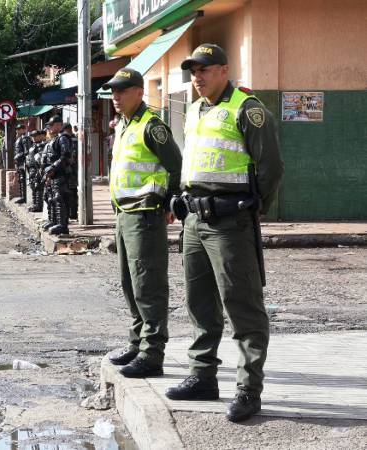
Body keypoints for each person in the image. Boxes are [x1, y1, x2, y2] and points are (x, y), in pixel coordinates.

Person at [164, 44, 285, 423]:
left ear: (223, 70)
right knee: (200, 302)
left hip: (230, 221)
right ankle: (202, 376)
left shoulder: (247, 109)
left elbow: (271, 167)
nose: (197, 77)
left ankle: (248, 390)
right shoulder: (196, 109)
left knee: (242, 305)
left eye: (204, 70)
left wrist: (253, 207)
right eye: (193, 71)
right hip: (194, 221)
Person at [103, 68, 182, 379]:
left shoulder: (152, 126)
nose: (116, 97)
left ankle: (152, 353)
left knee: (148, 285)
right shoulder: (125, 125)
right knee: (130, 283)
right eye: (113, 91)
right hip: (125, 214)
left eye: (122, 90)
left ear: (139, 92)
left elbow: (176, 167)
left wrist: (170, 202)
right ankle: (138, 343)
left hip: (146, 215)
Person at [41, 116, 72, 235]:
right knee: (51, 198)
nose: (49, 127)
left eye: (51, 125)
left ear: (59, 125)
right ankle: (54, 221)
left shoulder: (62, 138)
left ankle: (62, 225)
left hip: (61, 174)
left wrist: (53, 167)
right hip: (53, 175)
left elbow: (66, 155)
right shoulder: (53, 140)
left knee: (60, 198)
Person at [26, 130, 47, 212]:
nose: (33, 138)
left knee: (38, 187)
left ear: (40, 136)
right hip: (31, 168)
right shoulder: (33, 145)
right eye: (32, 136)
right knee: (33, 186)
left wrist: (40, 169)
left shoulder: (41, 146)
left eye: (35, 136)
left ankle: (38, 206)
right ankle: (35, 204)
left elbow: (40, 159)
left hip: (37, 169)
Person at [61, 123, 79, 219]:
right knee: (72, 192)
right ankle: (72, 212)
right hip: (73, 169)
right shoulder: (73, 140)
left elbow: (70, 156)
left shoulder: (69, 140)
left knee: (70, 192)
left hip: (70, 169)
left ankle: (71, 213)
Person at [13, 124, 30, 204]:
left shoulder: (25, 138)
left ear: (23, 129)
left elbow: (27, 151)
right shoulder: (19, 138)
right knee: (20, 179)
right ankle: (22, 196)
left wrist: (18, 156)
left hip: (23, 162)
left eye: (19, 129)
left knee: (23, 179)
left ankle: (24, 197)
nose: (17, 130)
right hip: (19, 162)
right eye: (17, 129)